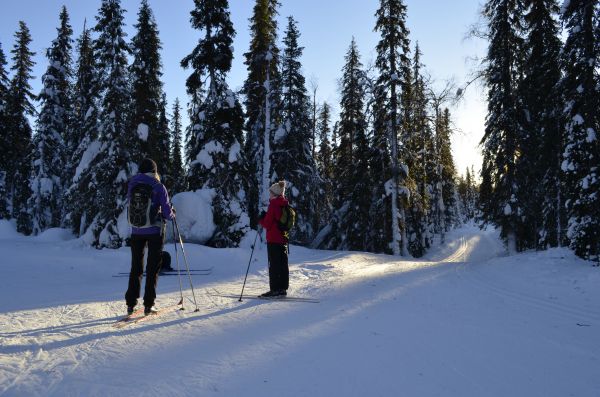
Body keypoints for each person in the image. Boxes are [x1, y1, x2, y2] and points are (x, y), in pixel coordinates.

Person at [125, 158, 175, 315]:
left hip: (136, 230)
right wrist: (172, 214)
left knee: (136, 267)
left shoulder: (132, 183)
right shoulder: (158, 186)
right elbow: (167, 212)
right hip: (154, 231)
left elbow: (130, 201)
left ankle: (130, 304)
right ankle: (148, 304)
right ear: (154, 171)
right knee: (152, 268)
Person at [258, 181, 289, 297]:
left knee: (274, 264)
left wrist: (261, 218)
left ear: (274, 194)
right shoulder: (284, 204)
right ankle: (282, 288)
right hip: (283, 239)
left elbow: (267, 224)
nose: (269, 195)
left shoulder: (274, 205)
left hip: (273, 240)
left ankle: (275, 289)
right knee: (282, 264)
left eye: (270, 193)